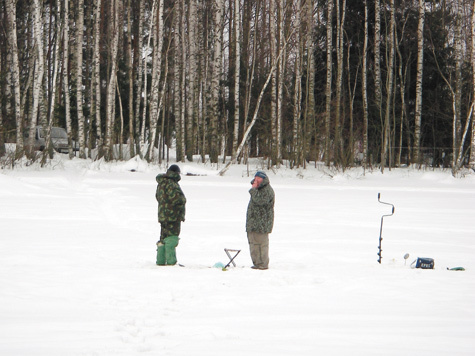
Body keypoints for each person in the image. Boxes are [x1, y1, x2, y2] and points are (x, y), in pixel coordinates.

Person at [155, 164, 186, 266]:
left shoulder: (161, 183)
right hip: (173, 216)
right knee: (172, 238)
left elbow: (158, 197)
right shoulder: (172, 184)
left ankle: (160, 261)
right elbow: (177, 199)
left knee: (163, 238)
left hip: (162, 216)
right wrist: (183, 200)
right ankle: (171, 262)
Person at [246, 171, 275, 270]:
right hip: (253, 223)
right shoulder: (257, 190)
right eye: (255, 177)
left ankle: (262, 264)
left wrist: (253, 190)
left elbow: (260, 201)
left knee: (261, 245)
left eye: (259, 178)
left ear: (263, 179)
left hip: (262, 223)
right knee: (253, 244)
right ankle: (257, 263)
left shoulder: (267, 190)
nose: (256, 180)